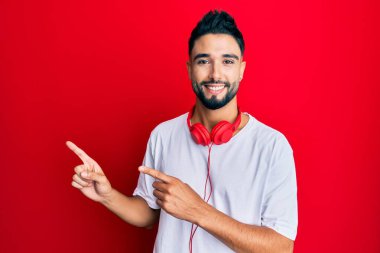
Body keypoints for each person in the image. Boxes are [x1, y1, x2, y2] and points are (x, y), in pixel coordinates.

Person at [67, 10, 298, 253]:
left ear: (241, 69)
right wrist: (106, 195)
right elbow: (148, 214)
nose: (215, 74)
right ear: (189, 69)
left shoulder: (272, 146)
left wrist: (198, 210)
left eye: (227, 61)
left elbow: (280, 247)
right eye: (203, 61)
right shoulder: (163, 135)